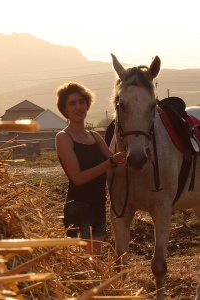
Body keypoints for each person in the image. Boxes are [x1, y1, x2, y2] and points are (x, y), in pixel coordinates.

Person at [55, 82, 126, 256]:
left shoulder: (94, 136)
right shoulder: (63, 137)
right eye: (72, 103)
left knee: (95, 263)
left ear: (87, 104)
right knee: (83, 266)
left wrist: (142, 160)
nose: (78, 107)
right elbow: (78, 178)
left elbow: (119, 170)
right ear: (64, 109)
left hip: (98, 207)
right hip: (78, 209)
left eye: (81, 102)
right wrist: (110, 163)